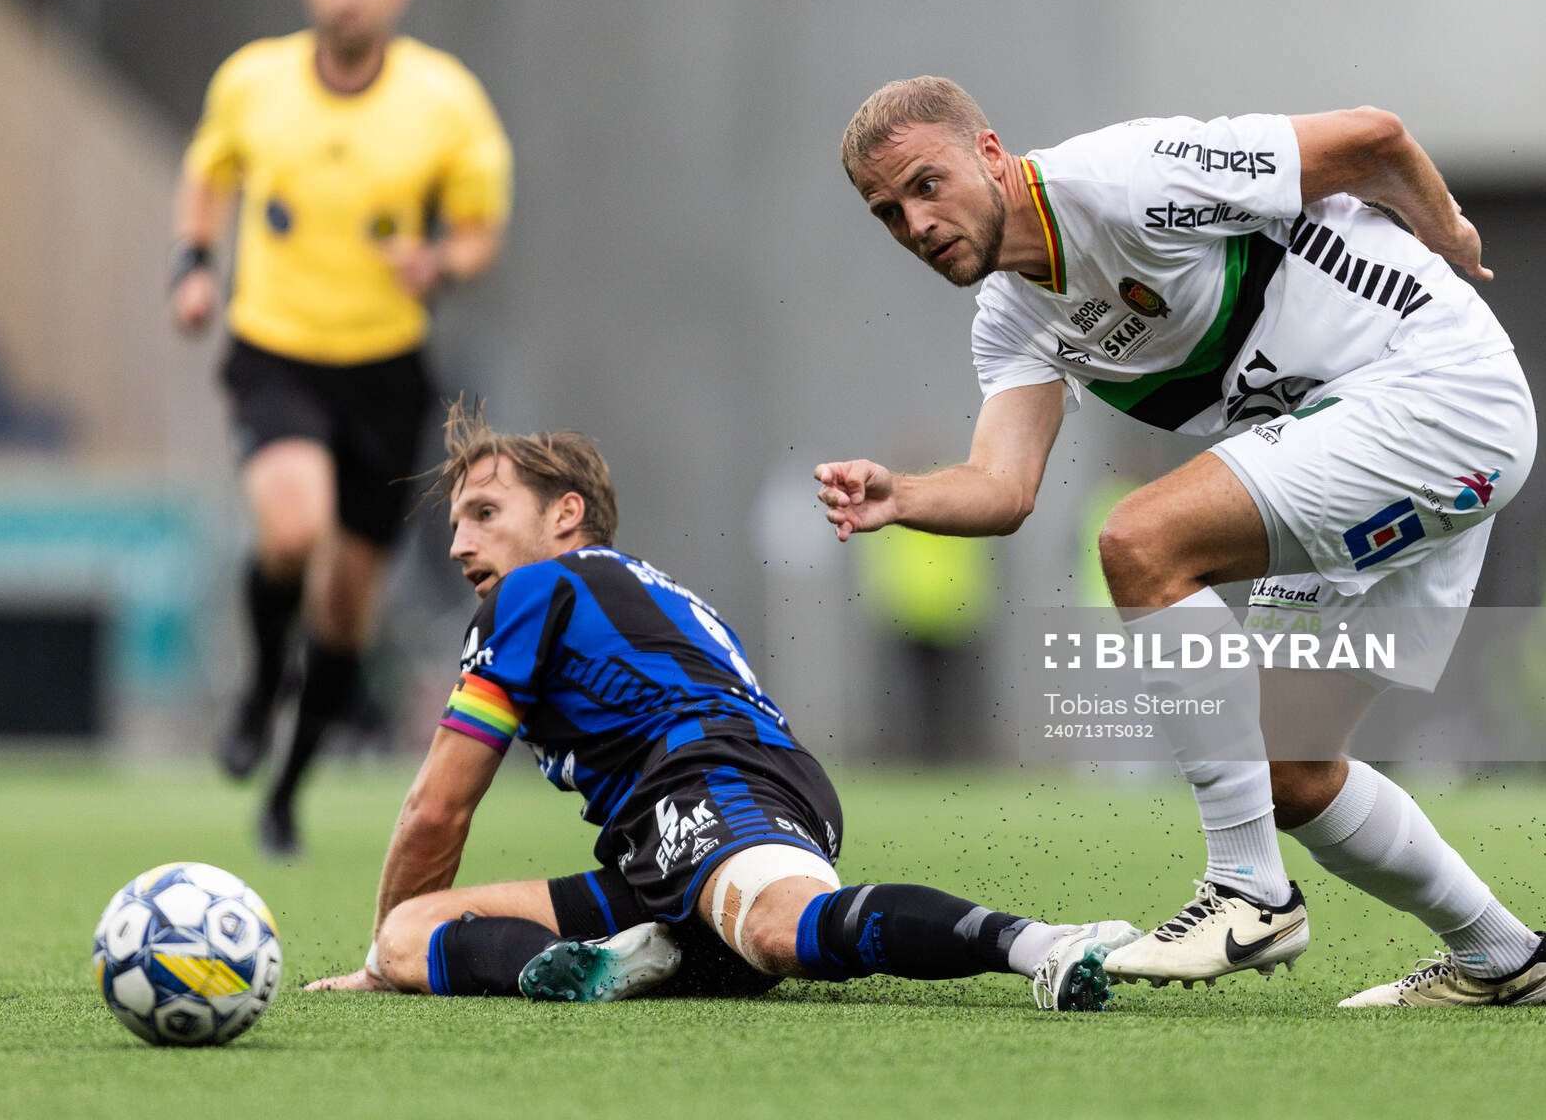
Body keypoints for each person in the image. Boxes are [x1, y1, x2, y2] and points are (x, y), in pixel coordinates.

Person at [816, 76, 1546, 1008]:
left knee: (1140, 539)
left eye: (926, 185)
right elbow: (1004, 489)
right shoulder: (1012, 320)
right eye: (888, 212)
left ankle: (1248, 891)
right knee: (1290, 768)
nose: (915, 223)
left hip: (1440, 393)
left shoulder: (1124, 178)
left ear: (992, 154)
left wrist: (1447, 233)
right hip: (1373, 430)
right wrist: (905, 495)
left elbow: (1374, 138)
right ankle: (1504, 956)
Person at [304, 402, 1142, 1011]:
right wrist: (389, 947)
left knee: (780, 930)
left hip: (718, 783)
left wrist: (373, 967)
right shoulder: (629, 591)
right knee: (416, 929)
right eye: (455, 525)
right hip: (666, 842)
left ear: (566, 515)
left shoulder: (537, 589)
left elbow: (438, 807)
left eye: (484, 514)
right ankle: (613, 961)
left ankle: (1041, 943)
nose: (459, 545)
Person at [167, 0, 513, 856]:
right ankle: (252, 693)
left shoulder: (444, 100)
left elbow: (481, 229)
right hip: (275, 346)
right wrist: (192, 264)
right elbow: (208, 173)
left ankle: (285, 787)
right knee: (291, 525)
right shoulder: (254, 80)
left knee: (347, 604)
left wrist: (439, 262)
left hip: (384, 368)